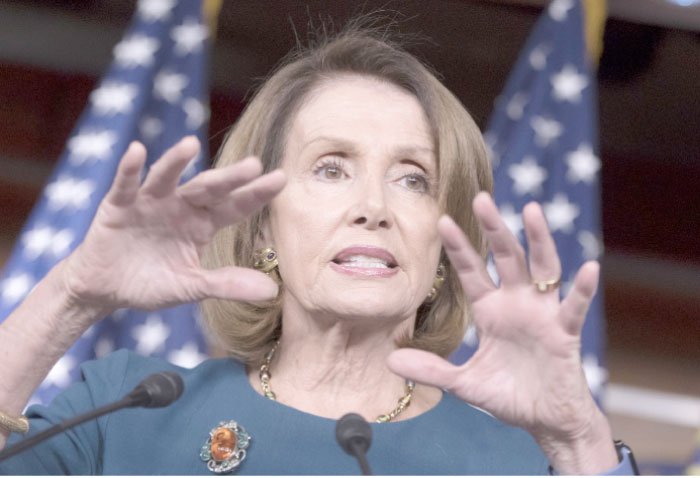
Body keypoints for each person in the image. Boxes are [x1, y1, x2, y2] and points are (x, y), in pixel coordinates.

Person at [0, 23, 635, 475]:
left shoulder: (516, 465)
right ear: (260, 225)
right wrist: (71, 295)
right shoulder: (129, 406)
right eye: (331, 168)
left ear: (445, 252)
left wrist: (578, 440)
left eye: (413, 178)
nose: (373, 206)